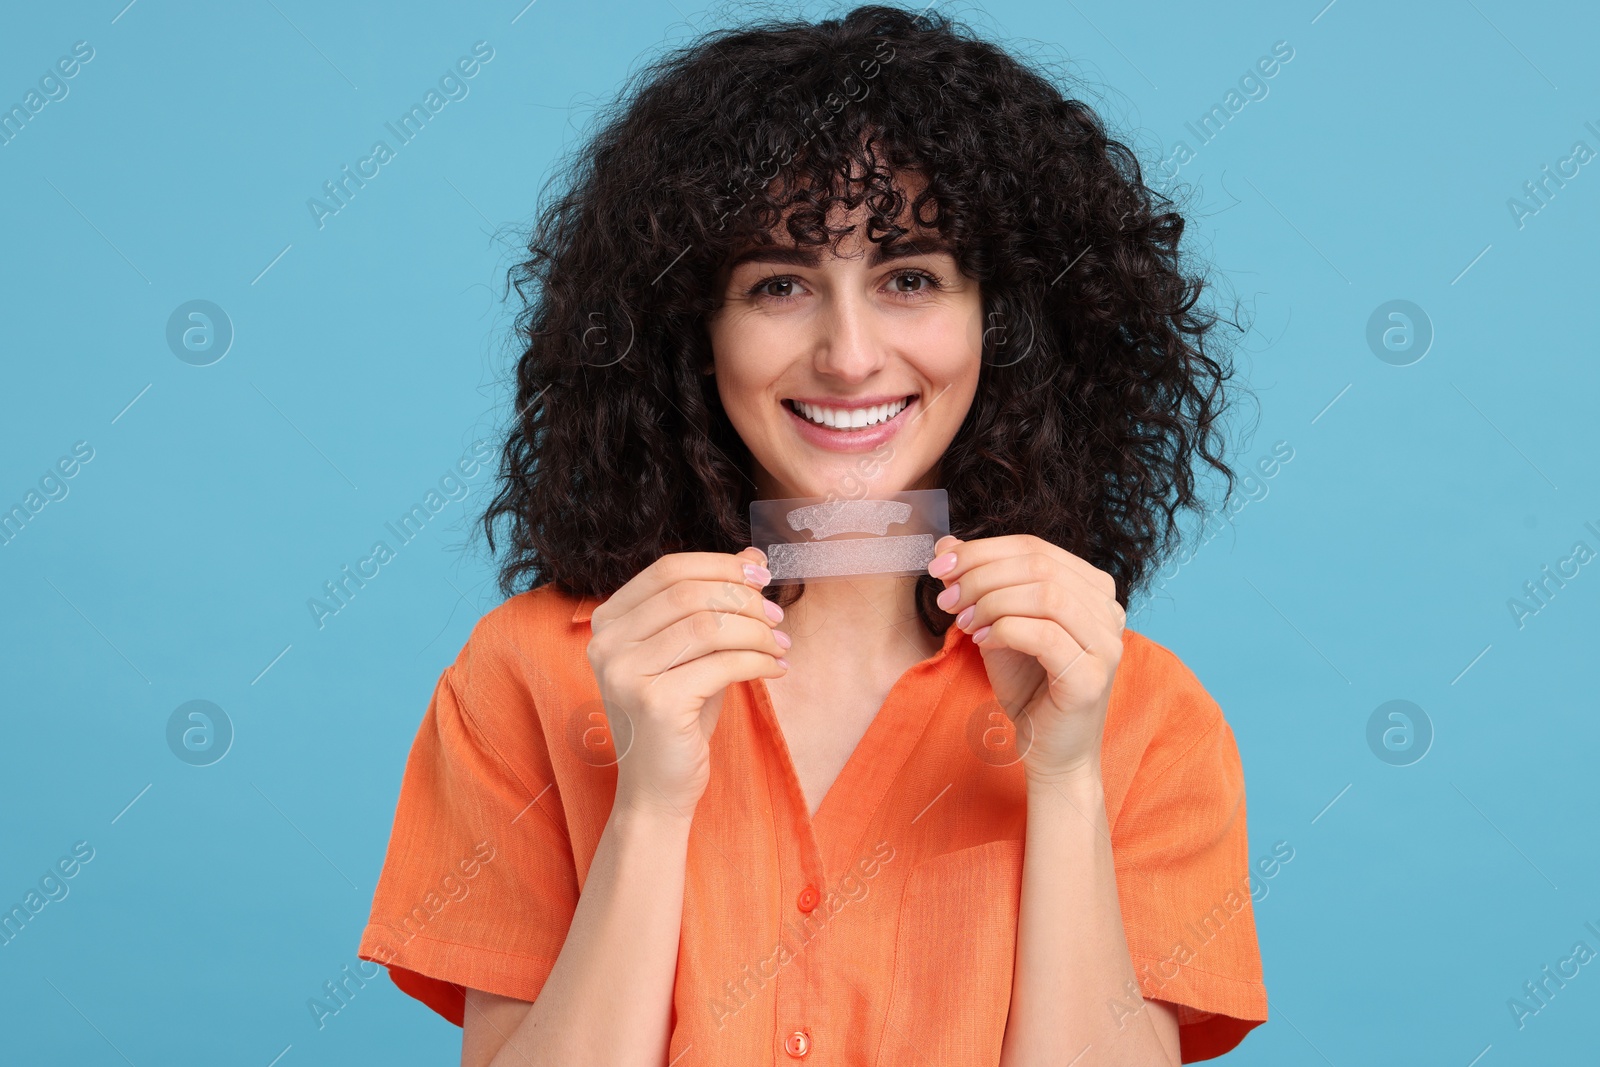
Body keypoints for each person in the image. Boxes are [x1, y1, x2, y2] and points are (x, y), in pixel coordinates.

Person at [357, 5, 1267, 1064]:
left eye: (910, 278)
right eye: (780, 284)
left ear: (1005, 326)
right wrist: (647, 807)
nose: (847, 356)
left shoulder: (1141, 713)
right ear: (690, 332)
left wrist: (1064, 779)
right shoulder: (526, 676)